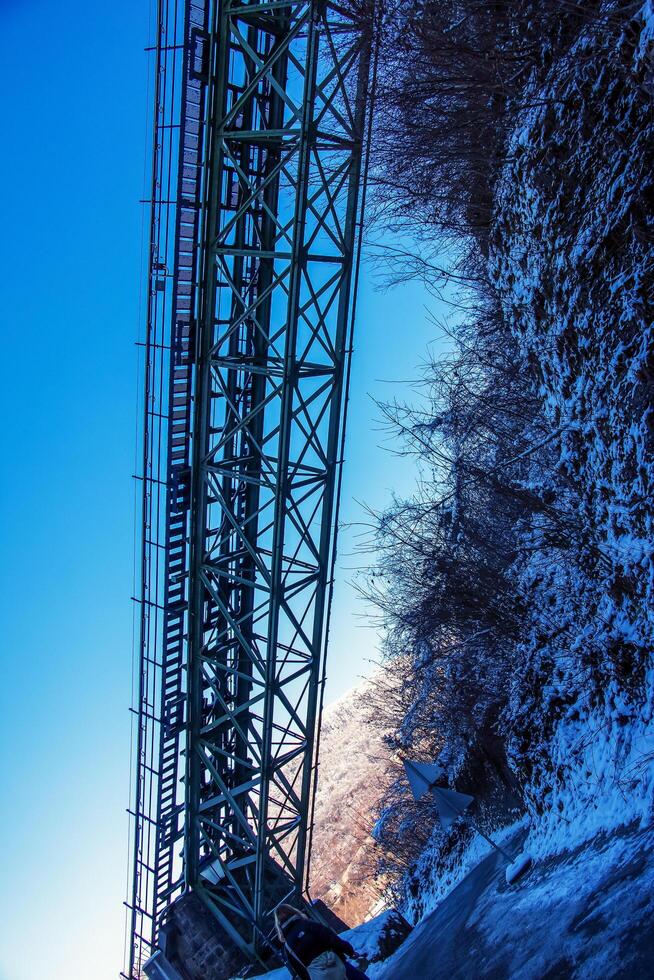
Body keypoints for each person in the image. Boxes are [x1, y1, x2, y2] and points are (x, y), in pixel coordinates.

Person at [274, 904, 369, 980]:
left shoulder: (287, 948)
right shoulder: (309, 925)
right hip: (338, 965)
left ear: (279, 924)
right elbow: (332, 939)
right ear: (293, 912)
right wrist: (350, 951)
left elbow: (300, 972)